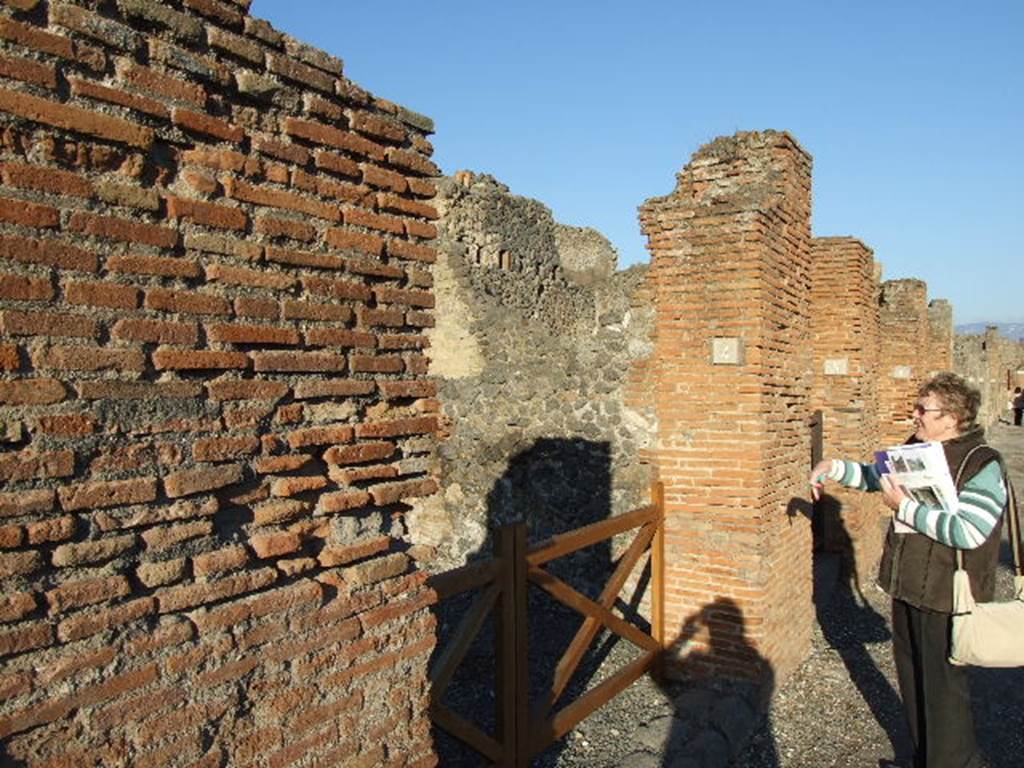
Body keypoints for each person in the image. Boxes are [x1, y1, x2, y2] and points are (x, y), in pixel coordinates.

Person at [809, 372, 1007, 768]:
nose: (914, 414)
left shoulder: (982, 463)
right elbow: (876, 478)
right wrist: (835, 468)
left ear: (951, 417)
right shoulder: (918, 449)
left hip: (949, 596)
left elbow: (970, 531)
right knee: (915, 682)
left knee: (944, 694)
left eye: (923, 409)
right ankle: (924, 758)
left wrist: (906, 509)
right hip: (909, 586)